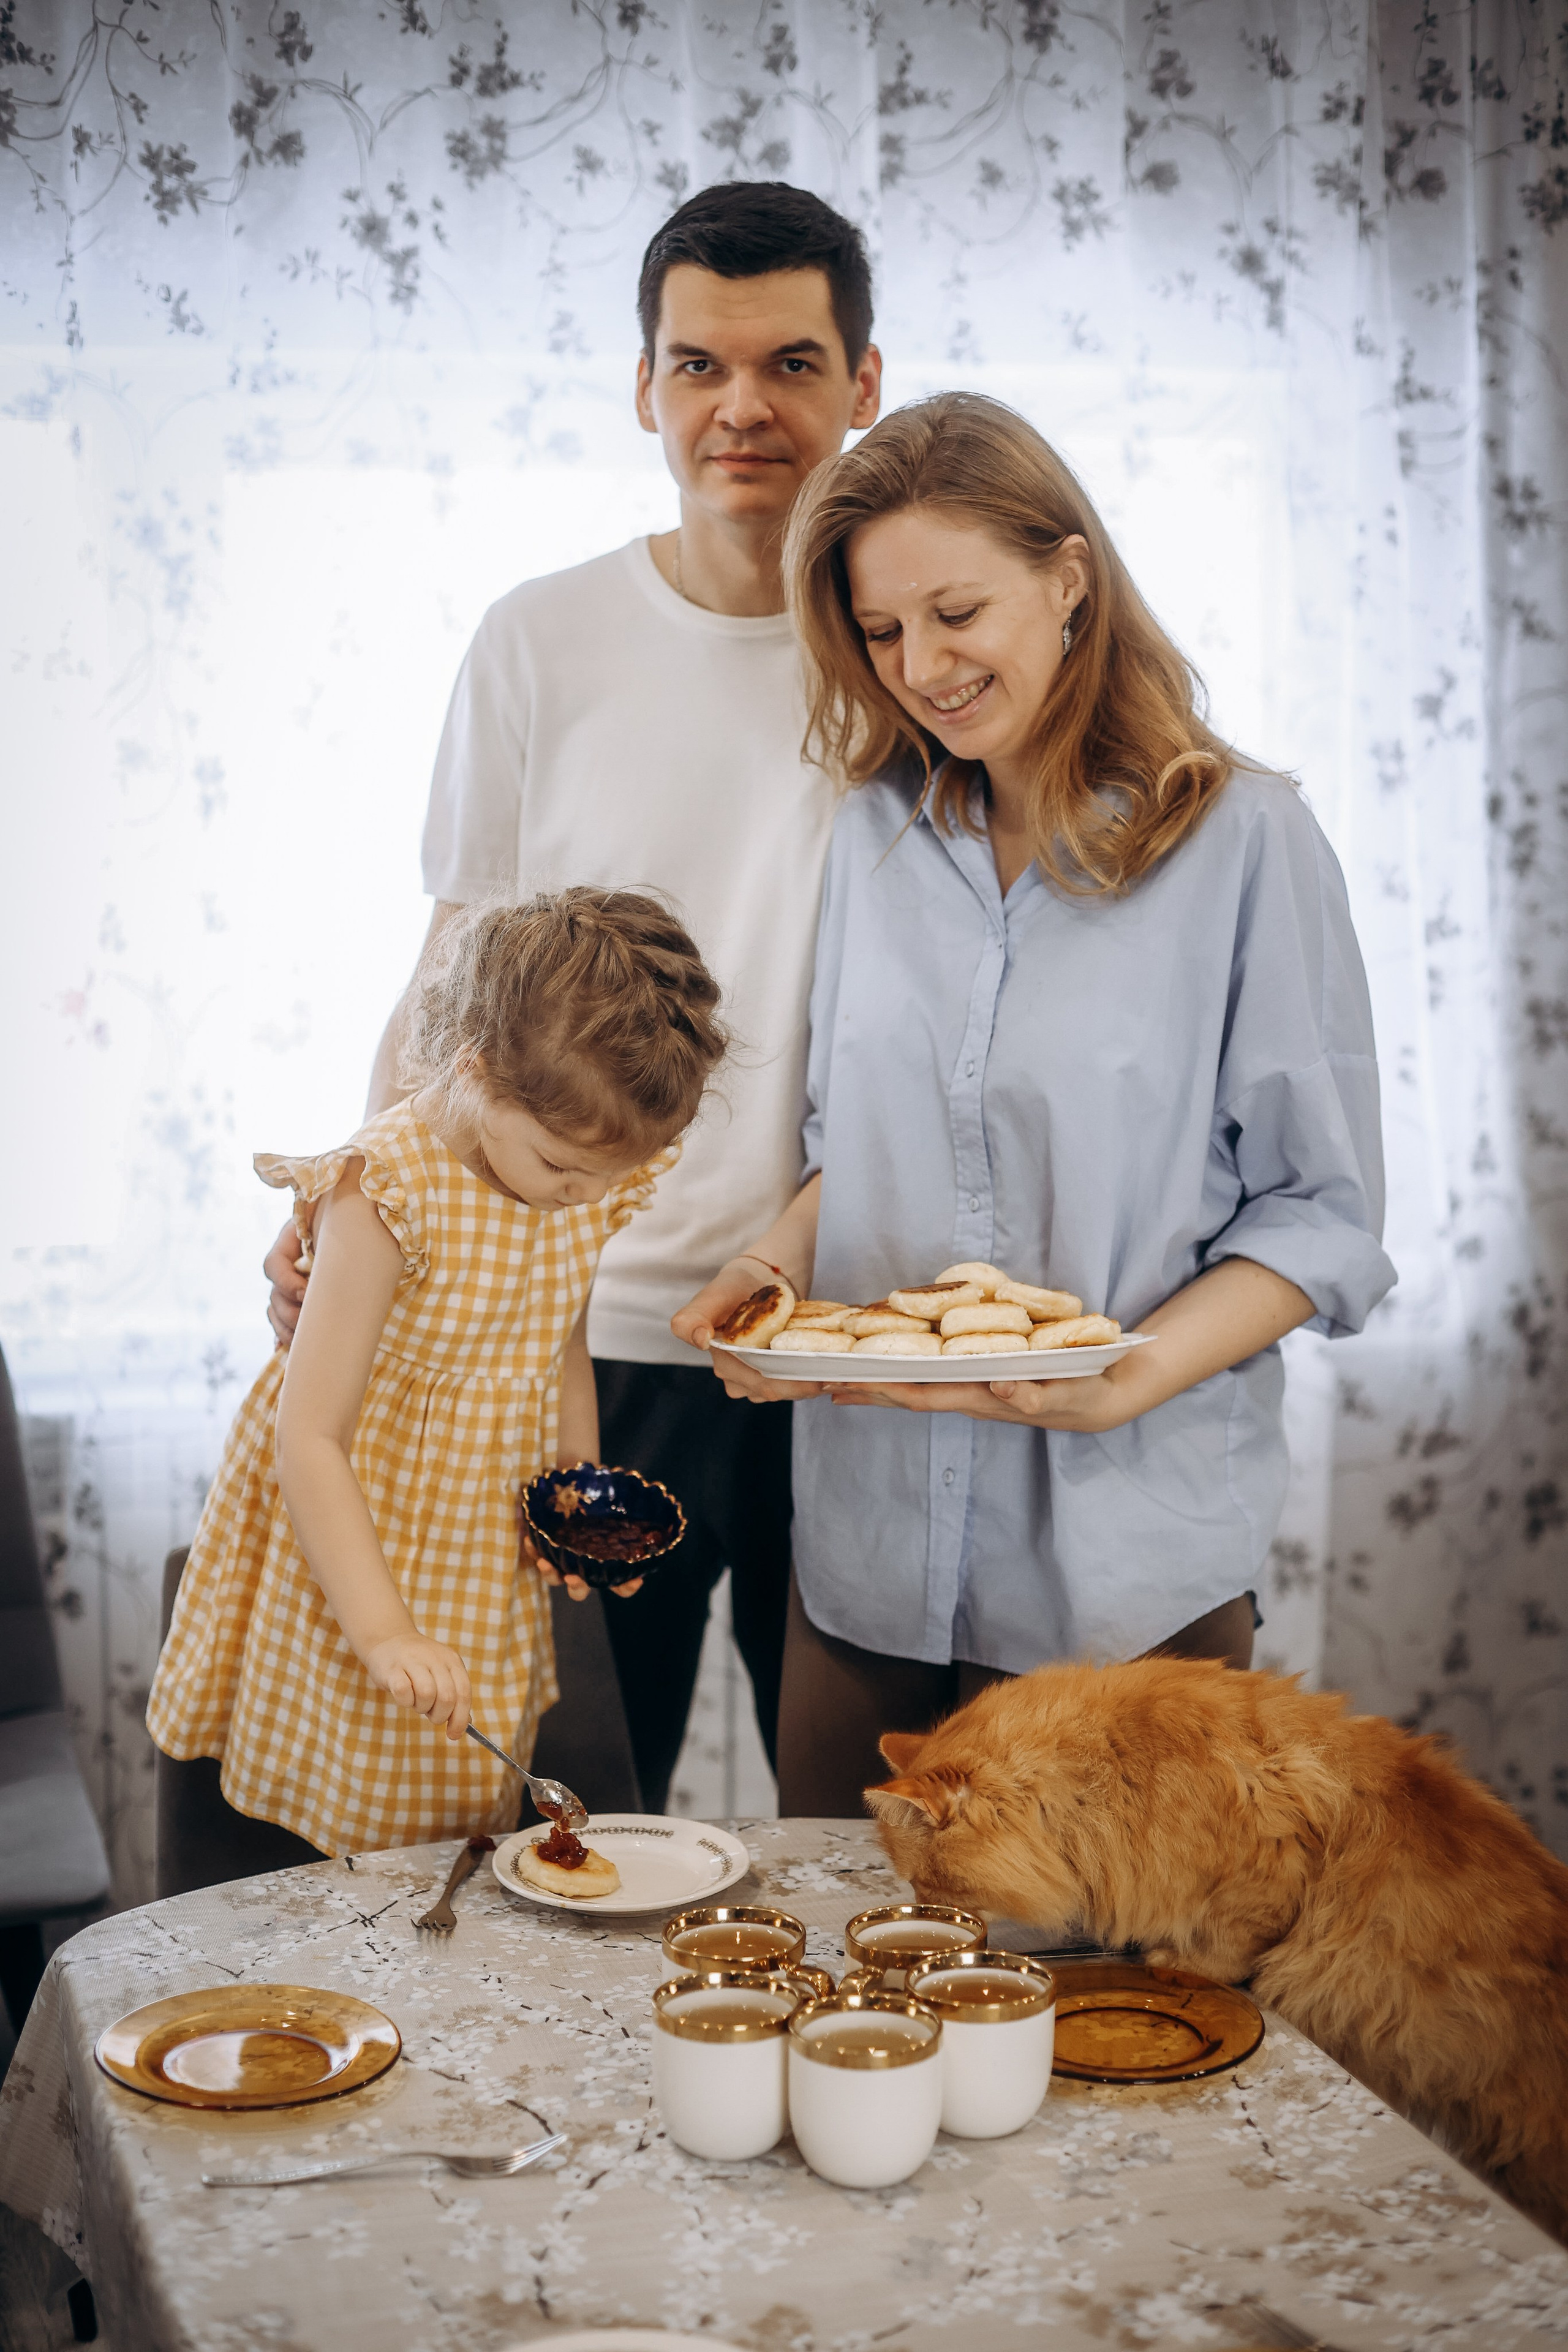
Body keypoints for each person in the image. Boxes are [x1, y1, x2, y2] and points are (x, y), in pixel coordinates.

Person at [675, 392, 1396, 1817]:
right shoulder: (875, 836)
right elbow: (861, 1150)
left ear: (1067, 580)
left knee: (1119, 2023)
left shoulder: (1244, 843)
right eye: (882, 634)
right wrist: (770, 1269)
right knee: (850, 1993)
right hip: (867, 1570)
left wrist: (1122, 1376)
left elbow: (1318, 1216)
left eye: (955, 613)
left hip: (1123, 1586)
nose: (920, 668)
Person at [263, 183, 882, 1812]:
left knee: (861, 1827)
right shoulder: (541, 640)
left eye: (790, 363)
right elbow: (452, 970)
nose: (742, 405)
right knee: (570, 1816)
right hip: (574, 1342)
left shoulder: (911, 658)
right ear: (645, 388)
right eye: (699, 364)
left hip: (837, 1340)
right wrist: (354, 1186)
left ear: (862, 386)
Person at [149, 891, 727, 1862]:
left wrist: (575, 1495)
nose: (583, 1198)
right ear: (477, 1069)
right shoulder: (388, 1191)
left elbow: (561, 1341)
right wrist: (382, 1634)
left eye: (606, 1177)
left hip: (471, 1542)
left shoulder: (574, 1175)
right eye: (560, 1166)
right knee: (344, 1783)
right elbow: (310, 1435)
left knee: (450, 1797)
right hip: (350, 1540)